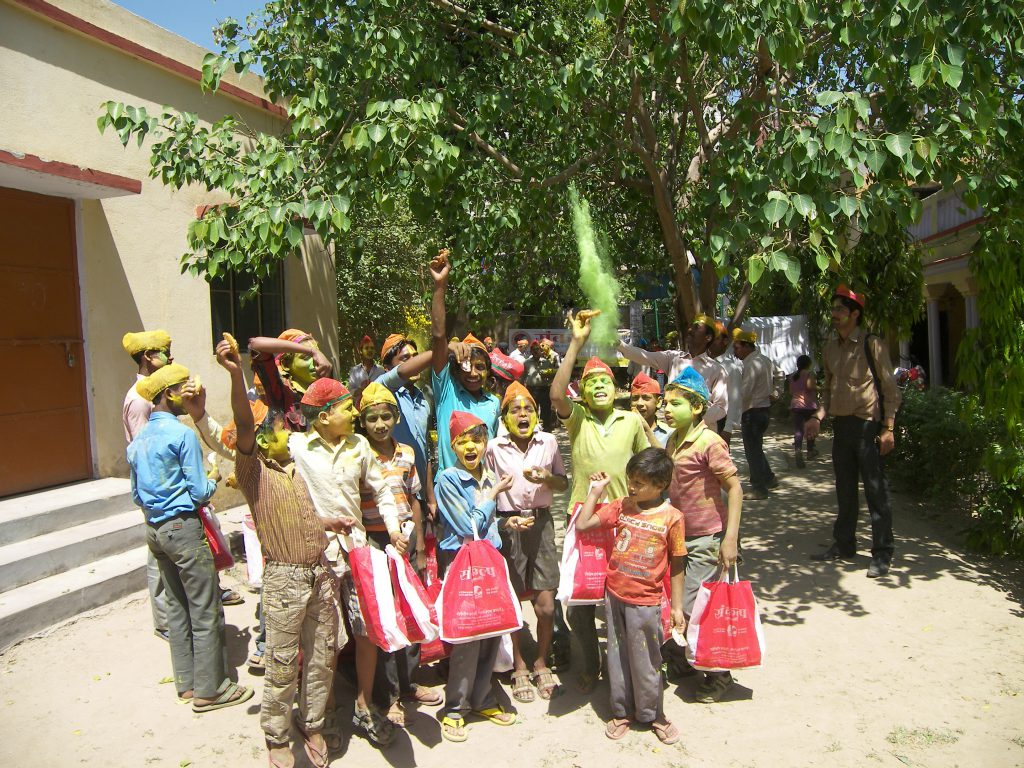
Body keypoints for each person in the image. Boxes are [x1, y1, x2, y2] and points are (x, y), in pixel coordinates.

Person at [214, 338, 348, 768]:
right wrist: (236, 374)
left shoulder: (298, 470)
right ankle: (275, 733)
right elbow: (243, 421)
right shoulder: (254, 474)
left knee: (323, 656)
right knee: (282, 660)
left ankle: (311, 724)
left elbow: (303, 516)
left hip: (319, 573)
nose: (284, 432)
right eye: (274, 430)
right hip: (285, 580)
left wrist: (327, 525)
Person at [127, 363, 254, 713]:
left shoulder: (139, 441)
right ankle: (211, 690)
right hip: (183, 527)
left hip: (155, 530)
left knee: (177, 606)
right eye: (185, 387)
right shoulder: (181, 435)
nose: (191, 392)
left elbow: (137, 495)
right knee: (205, 606)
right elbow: (198, 491)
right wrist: (214, 477)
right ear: (169, 394)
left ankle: (186, 683)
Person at [287, 377, 406, 747]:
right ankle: (322, 714)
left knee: (365, 629)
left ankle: (363, 703)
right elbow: (237, 447)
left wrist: (394, 528)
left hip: (357, 550)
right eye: (345, 408)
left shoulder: (359, 447)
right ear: (323, 417)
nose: (354, 413)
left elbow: (382, 488)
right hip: (317, 556)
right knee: (323, 637)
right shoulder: (297, 447)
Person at [550, 310, 650, 692]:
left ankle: (623, 666)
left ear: (615, 387)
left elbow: (648, 465)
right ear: (584, 392)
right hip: (584, 516)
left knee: (624, 596)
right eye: (589, 383)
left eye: (603, 381)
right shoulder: (577, 419)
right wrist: (576, 343)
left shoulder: (631, 421)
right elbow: (557, 394)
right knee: (580, 597)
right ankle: (589, 665)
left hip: (626, 517)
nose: (597, 388)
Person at [574, 450, 685, 746]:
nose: (632, 488)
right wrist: (595, 492)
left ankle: (653, 713)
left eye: (640, 483)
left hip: (646, 601)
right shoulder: (622, 506)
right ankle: (622, 711)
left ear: (661, 483)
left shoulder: (672, 518)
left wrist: (676, 607)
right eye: (630, 480)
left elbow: (677, 563)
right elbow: (583, 524)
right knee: (618, 656)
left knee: (647, 659)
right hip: (614, 595)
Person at [357, 382, 443, 725]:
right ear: (362, 422)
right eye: (373, 418)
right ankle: (388, 695)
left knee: (410, 612)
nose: (380, 424)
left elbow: (413, 501)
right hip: (374, 541)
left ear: (395, 417)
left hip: (406, 541)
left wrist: (421, 546)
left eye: (386, 416)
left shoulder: (407, 453)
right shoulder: (358, 454)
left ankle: (409, 685)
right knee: (385, 618)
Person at [807, 285, 901, 578]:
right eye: (833, 309)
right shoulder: (831, 347)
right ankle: (844, 543)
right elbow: (829, 391)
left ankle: (882, 553)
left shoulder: (872, 344)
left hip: (867, 427)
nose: (834, 314)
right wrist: (818, 417)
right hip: (842, 427)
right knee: (844, 489)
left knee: (875, 490)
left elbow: (889, 388)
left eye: (840, 310)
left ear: (855, 314)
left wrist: (888, 428)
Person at [434, 411, 517, 742]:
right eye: (463, 441)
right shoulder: (448, 479)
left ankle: (482, 699)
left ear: (485, 443)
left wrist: (508, 523)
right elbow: (466, 524)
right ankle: (455, 708)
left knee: (491, 630)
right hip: (462, 563)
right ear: (453, 446)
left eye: (477, 440)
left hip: (491, 560)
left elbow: (487, 526)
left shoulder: (488, 475)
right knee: (467, 636)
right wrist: (493, 495)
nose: (471, 447)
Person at [662, 367, 743, 702]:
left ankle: (719, 674)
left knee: (697, 607)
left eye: (674, 404)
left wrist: (729, 539)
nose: (666, 409)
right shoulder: (672, 440)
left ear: (696, 407)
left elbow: (735, 488)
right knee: (677, 603)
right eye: (665, 403)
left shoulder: (710, 442)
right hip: (680, 536)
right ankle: (686, 661)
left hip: (706, 539)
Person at [484, 381, 567, 703]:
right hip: (509, 526)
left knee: (546, 606)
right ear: (504, 417)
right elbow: (487, 490)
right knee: (513, 599)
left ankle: (541, 661)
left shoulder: (548, 442)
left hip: (542, 524)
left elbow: (562, 483)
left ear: (537, 414)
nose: (522, 414)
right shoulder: (493, 447)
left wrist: (546, 478)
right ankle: (519, 664)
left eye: (528, 409)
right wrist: (504, 522)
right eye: (515, 410)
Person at [121, 329, 172, 641]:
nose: (170, 357)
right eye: (164, 352)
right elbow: (143, 449)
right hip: (156, 484)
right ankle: (164, 620)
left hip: (167, 479)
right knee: (158, 552)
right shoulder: (140, 399)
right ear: (148, 357)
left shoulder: (155, 391)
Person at [429, 250, 501, 471]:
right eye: (467, 366)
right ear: (456, 370)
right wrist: (440, 286)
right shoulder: (446, 391)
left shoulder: (494, 403)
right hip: (449, 492)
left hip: (485, 490)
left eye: (480, 367)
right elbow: (439, 336)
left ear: (488, 372)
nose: (473, 373)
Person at [616, 314, 729, 432]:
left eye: (696, 327)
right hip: (675, 431)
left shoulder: (717, 370)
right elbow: (645, 356)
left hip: (703, 432)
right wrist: (619, 344)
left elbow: (721, 407)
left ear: (708, 337)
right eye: (690, 327)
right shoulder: (673, 358)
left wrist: (694, 419)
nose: (690, 330)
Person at [733, 328, 777, 499]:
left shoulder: (751, 364)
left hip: (752, 412)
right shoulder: (765, 360)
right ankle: (769, 478)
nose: (735, 353)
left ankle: (759, 488)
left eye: (737, 348)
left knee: (752, 451)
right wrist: (776, 393)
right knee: (756, 448)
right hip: (764, 410)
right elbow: (780, 375)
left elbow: (745, 391)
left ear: (746, 346)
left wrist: (732, 405)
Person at [707, 322, 742, 446]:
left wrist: (728, 429)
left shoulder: (731, 368)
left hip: (720, 424)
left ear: (725, 341)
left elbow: (734, 399)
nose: (711, 343)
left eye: (716, 338)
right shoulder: (703, 364)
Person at [790, 354, 819, 468]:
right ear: (808, 364)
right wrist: (823, 388)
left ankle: (798, 450)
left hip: (796, 406)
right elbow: (810, 387)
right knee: (810, 429)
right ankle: (810, 451)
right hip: (809, 405)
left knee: (798, 430)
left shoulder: (793, 376)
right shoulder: (809, 374)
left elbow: (791, 391)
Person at [522, 340, 558, 432]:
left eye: (537, 349)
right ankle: (532, 427)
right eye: (533, 350)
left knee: (546, 409)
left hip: (544, 389)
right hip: (531, 389)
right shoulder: (526, 363)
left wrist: (548, 374)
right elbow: (523, 377)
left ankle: (547, 428)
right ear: (531, 351)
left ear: (540, 351)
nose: (536, 351)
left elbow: (553, 374)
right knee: (532, 409)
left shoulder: (546, 362)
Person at [630, 372, 672, 447]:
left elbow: (668, 459)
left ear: (658, 402)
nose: (639, 403)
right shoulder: (622, 430)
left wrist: (647, 431)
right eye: (635, 398)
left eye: (646, 398)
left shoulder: (670, 434)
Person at [349, 334, 385, 404]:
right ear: (361, 351)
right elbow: (350, 392)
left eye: (372, 348)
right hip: (360, 408)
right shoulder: (354, 371)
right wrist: (361, 389)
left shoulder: (381, 370)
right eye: (366, 348)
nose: (370, 350)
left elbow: (385, 390)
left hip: (378, 406)